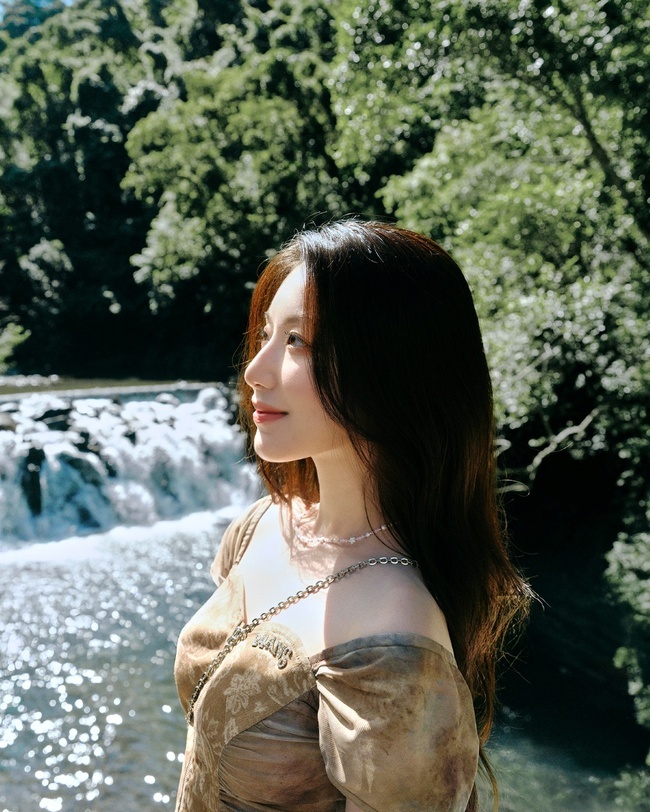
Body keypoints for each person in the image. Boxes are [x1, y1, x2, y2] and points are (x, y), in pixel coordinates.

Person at [173, 219, 531, 811]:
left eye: (296, 341)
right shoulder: (263, 526)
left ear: (393, 365)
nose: (255, 370)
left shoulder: (394, 643)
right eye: (265, 334)